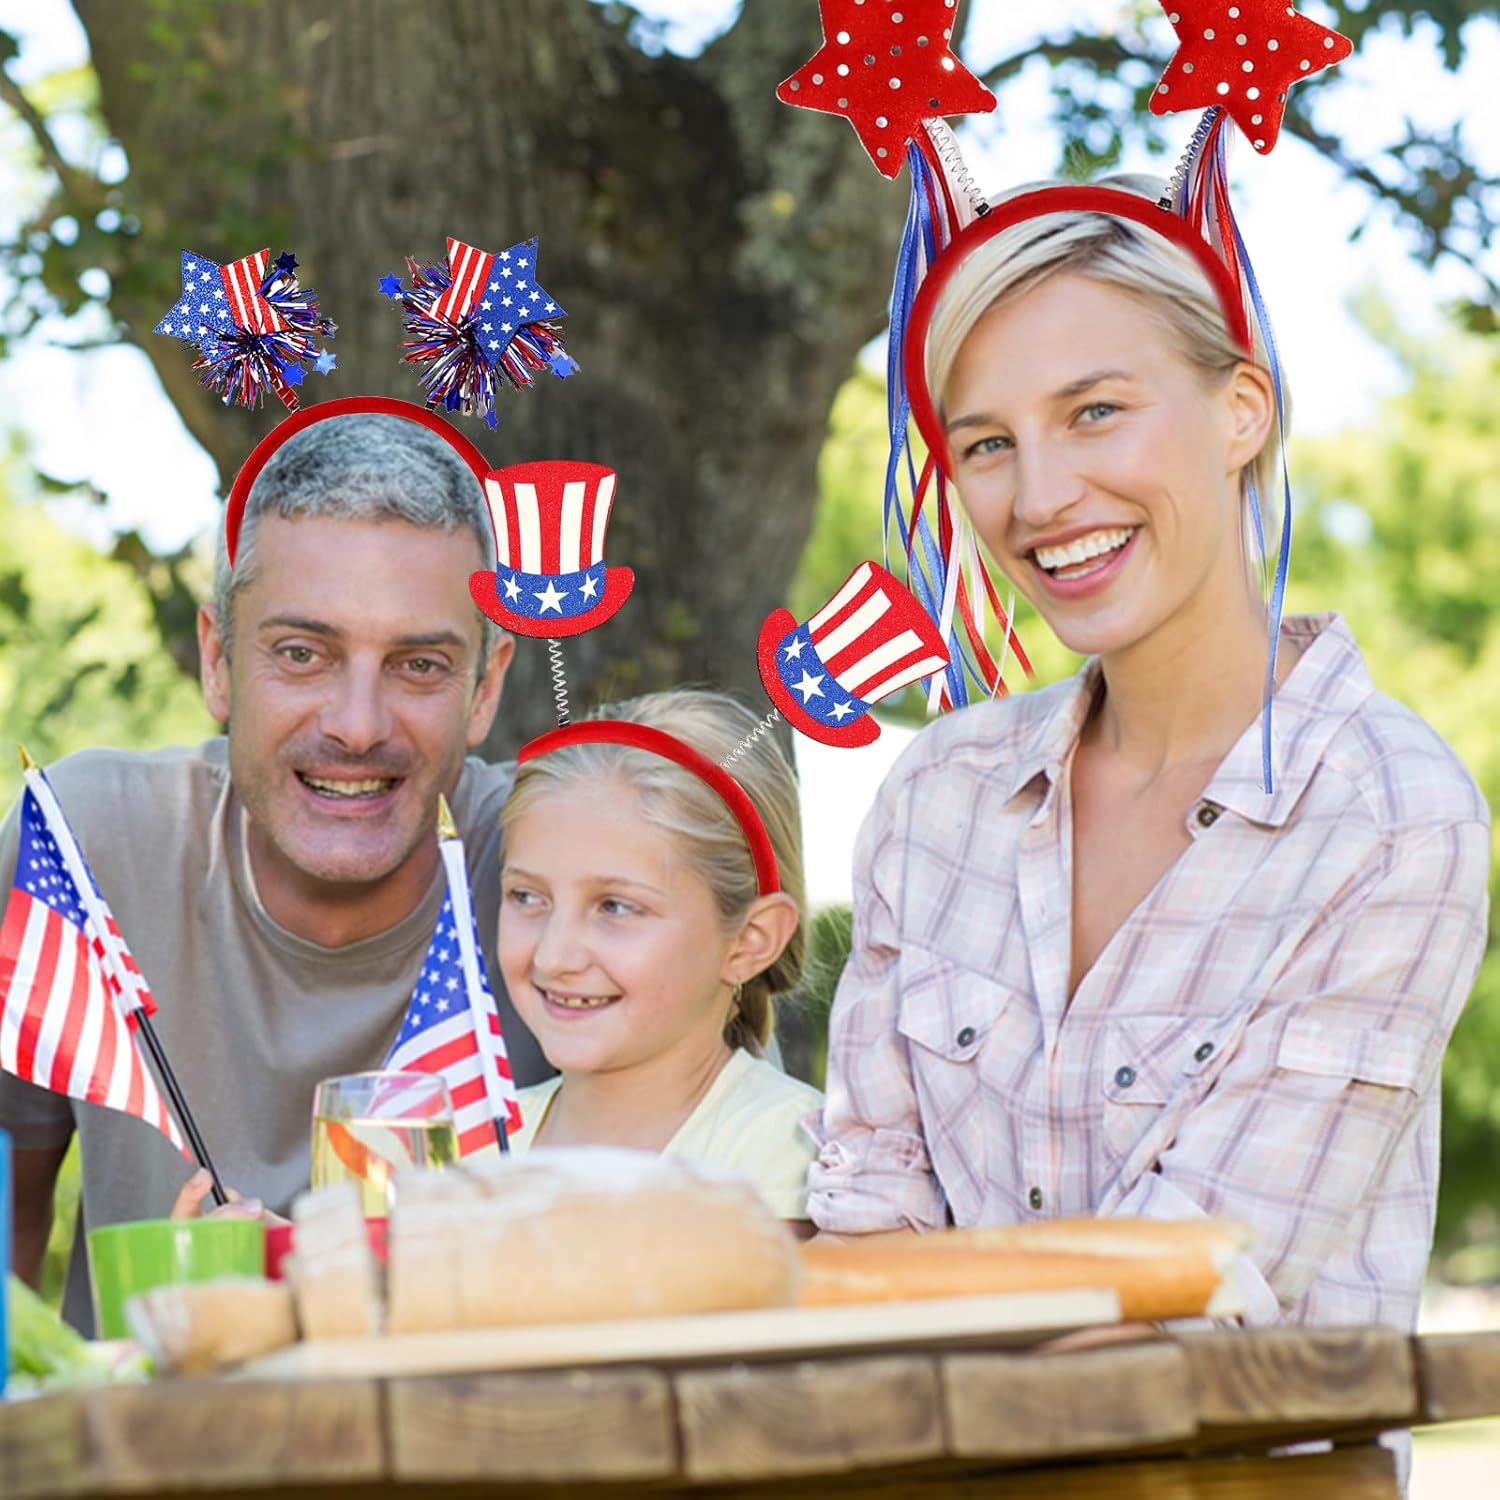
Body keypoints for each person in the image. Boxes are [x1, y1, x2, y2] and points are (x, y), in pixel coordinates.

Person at [809, 175, 1491, 1344]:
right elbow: (865, 1224)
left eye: (1095, 412)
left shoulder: (1390, 816)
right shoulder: (938, 794)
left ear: (1242, 411)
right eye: (987, 443)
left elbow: (1190, 1288)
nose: (1040, 497)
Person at [0, 409, 551, 1331]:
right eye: (302, 654)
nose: (358, 725)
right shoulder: (84, 844)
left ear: (485, 687)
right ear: (219, 661)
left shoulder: (570, 866)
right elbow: (9, 1213)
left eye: (419, 665)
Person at [496, 690, 821, 1227]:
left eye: (616, 907)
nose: (553, 956)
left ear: (750, 940)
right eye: (527, 897)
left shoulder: (788, 1153)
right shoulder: (469, 1140)